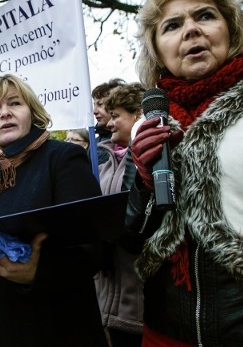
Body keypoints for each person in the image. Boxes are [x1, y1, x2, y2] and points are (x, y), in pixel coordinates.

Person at [124, 0, 243, 345]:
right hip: (167, 331)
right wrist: (143, 182)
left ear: (231, 30)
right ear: (158, 50)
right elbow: (130, 237)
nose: (191, 30)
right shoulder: (150, 125)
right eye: (172, 25)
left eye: (205, 16)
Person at [0, 74, 107, 347]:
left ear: (32, 112)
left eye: (15, 104)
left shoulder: (62, 159)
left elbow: (95, 248)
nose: (5, 113)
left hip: (46, 325)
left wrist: (37, 273)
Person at [93, 83, 145, 347]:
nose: (109, 123)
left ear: (137, 114)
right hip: (104, 298)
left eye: (116, 116)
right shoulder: (100, 162)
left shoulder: (151, 159)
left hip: (138, 304)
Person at [92, 78, 126, 165]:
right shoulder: (93, 143)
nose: (94, 111)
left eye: (100, 104)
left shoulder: (129, 138)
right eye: (94, 104)